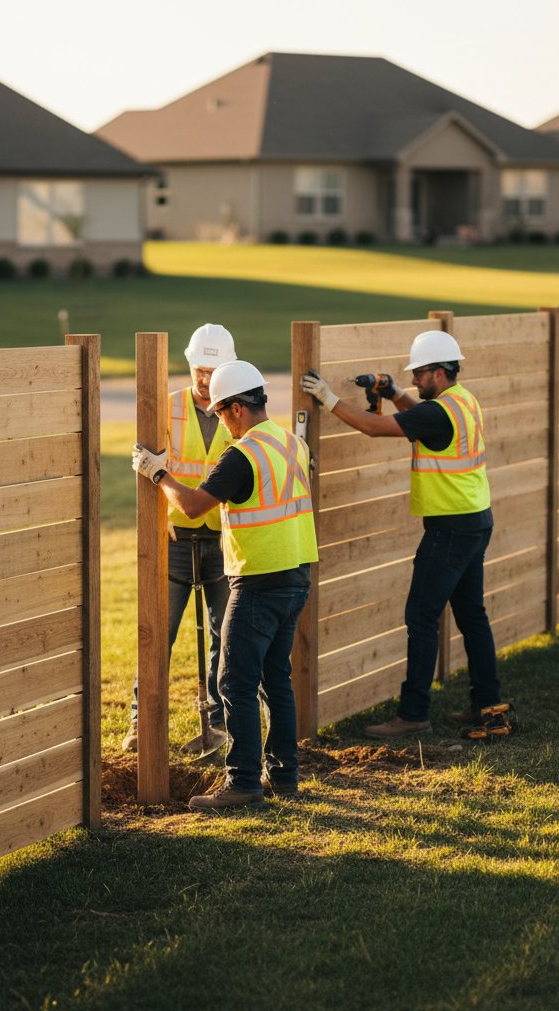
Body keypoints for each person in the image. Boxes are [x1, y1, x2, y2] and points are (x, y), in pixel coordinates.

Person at [133, 360, 318, 811]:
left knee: (234, 681)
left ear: (236, 407)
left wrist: (157, 474)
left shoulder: (242, 455)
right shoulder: (291, 443)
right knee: (276, 678)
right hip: (295, 574)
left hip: (258, 581)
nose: (219, 422)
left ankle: (243, 782)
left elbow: (194, 506)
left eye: (219, 412)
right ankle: (285, 776)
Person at [300, 329, 502, 739]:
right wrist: (392, 393)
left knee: (421, 616)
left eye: (419, 374)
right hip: (474, 519)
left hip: (450, 528)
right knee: (472, 616)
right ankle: (487, 703)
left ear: (439, 372)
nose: (414, 380)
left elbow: (376, 428)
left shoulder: (437, 412)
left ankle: (413, 714)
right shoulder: (461, 401)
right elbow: (420, 418)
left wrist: (329, 399)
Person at [122, 323, 237, 754]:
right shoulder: (167, 408)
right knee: (157, 632)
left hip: (223, 541)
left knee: (225, 637)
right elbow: (146, 464)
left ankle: (220, 723)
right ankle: (142, 723)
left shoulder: (238, 410)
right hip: (173, 538)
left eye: (213, 370)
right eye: (200, 369)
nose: (205, 379)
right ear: (189, 365)